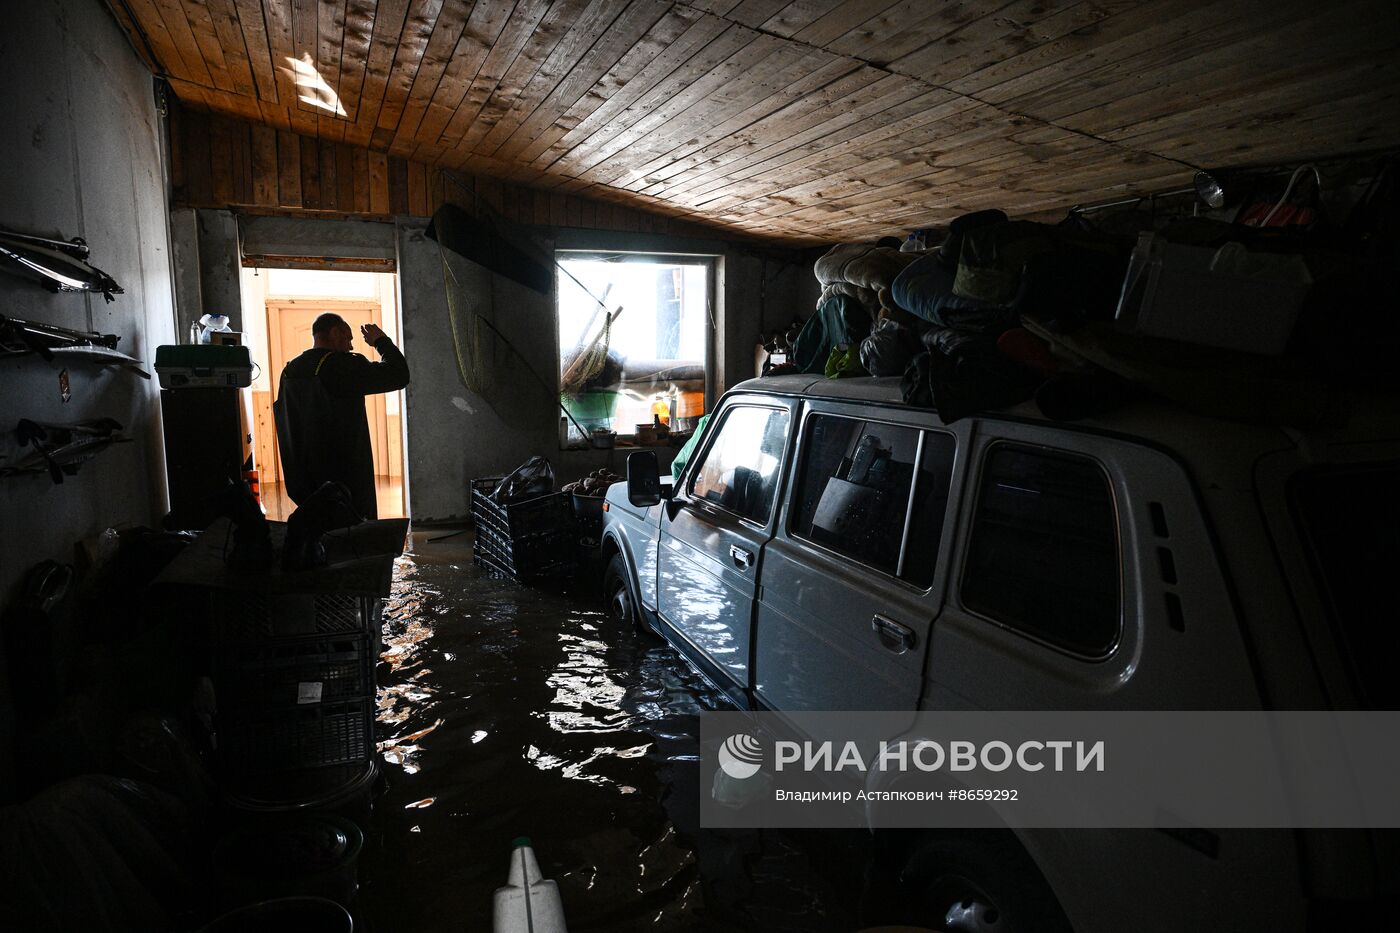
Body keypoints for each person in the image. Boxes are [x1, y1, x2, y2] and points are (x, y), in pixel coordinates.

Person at [273, 312, 410, 520]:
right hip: (343, 477)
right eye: (348, 338)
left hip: (303, 477)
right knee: (349, 535)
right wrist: (381, 341)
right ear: (336, 332)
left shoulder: (290, 369)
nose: (351, 346)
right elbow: (398, 375)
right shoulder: (340, 365)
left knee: (317, 527)